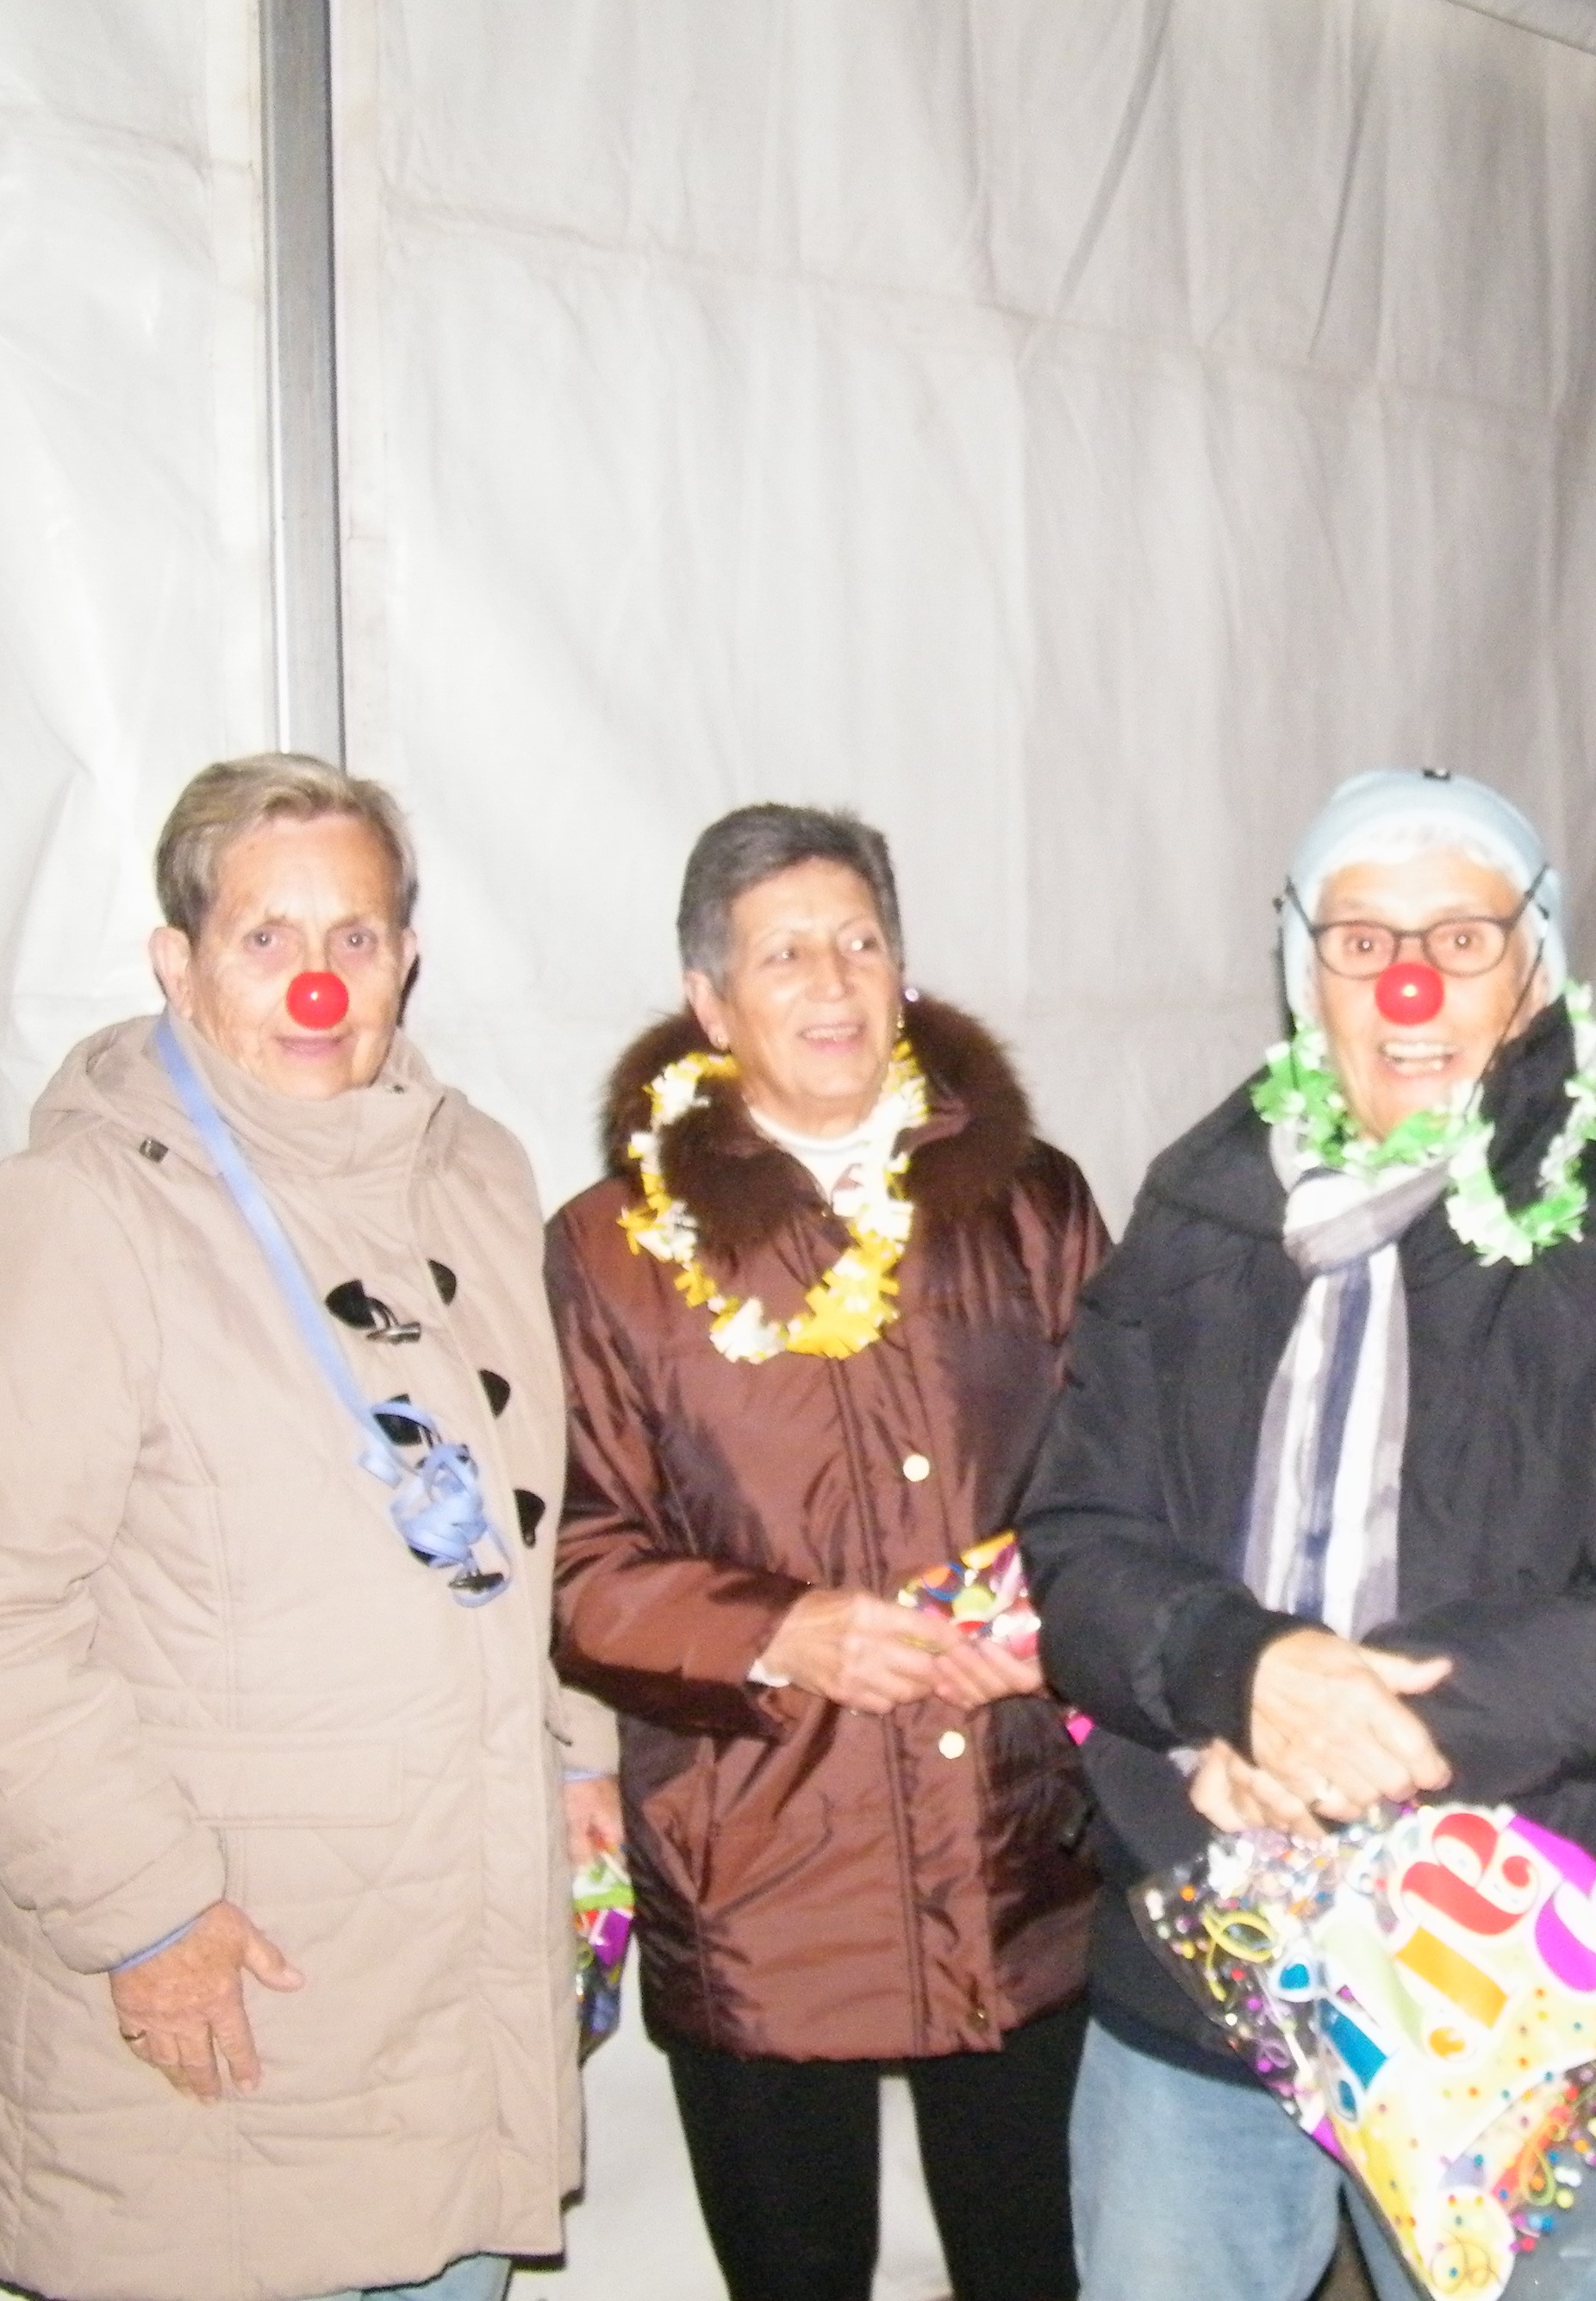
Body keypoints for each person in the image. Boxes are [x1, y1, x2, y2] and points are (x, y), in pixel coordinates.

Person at [1023, 766, 1596, 2301]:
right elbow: (1080, 1536)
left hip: (1506, 1967)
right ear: (1303, 970)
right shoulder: (1199, 1209)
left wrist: (1351, 1734)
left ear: (1536, 965)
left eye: (1462, 937)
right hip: (1200, 1937)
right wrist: (1239, 1678)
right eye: (1362, 938)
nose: (1409, 984)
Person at [0, 754, 617, 2301]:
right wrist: (143, 1913)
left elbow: (517, 1522)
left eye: (353, 936)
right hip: (232, 1997)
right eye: (264, 938)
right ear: (178, 963)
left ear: (406, 958)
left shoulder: (478, 1175)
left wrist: (577, 1752)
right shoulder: (81, 1210)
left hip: (453, 1984)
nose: (316, 983)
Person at [547, 804, 1107, 2301]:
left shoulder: (1027, 1200)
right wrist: (783, 1632)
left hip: (1017, 1854)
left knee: (1040, 2269)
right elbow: (580, 1562)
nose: (832, 981)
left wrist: (1053, 1617)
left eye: (860, 941)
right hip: (763, 1873)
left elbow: (1131, 1480)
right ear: (710, 1002)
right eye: (783, 953)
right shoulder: (613, 1246)